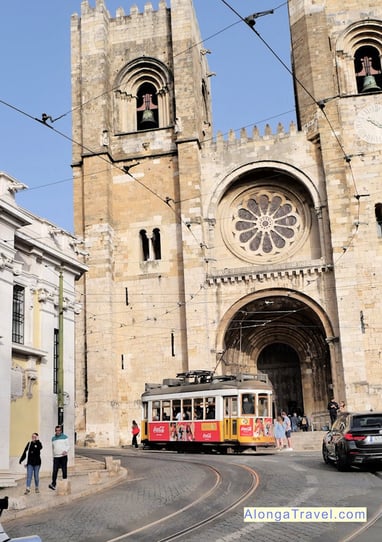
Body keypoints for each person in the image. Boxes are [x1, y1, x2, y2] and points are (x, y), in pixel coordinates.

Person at [49, 425, 70, 490]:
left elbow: (68, 446)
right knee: (55, 470)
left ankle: (65, 483)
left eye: (59, 430)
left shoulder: (65, 437)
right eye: (56, 430)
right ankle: (53, 484)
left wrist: (65, 451)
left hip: (63, 456)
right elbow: (53, 448)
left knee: (64, 470)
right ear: (55, 431)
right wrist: (53, 456)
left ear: (61, 431)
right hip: (56, 457)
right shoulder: (53, 438)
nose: (57, 432)